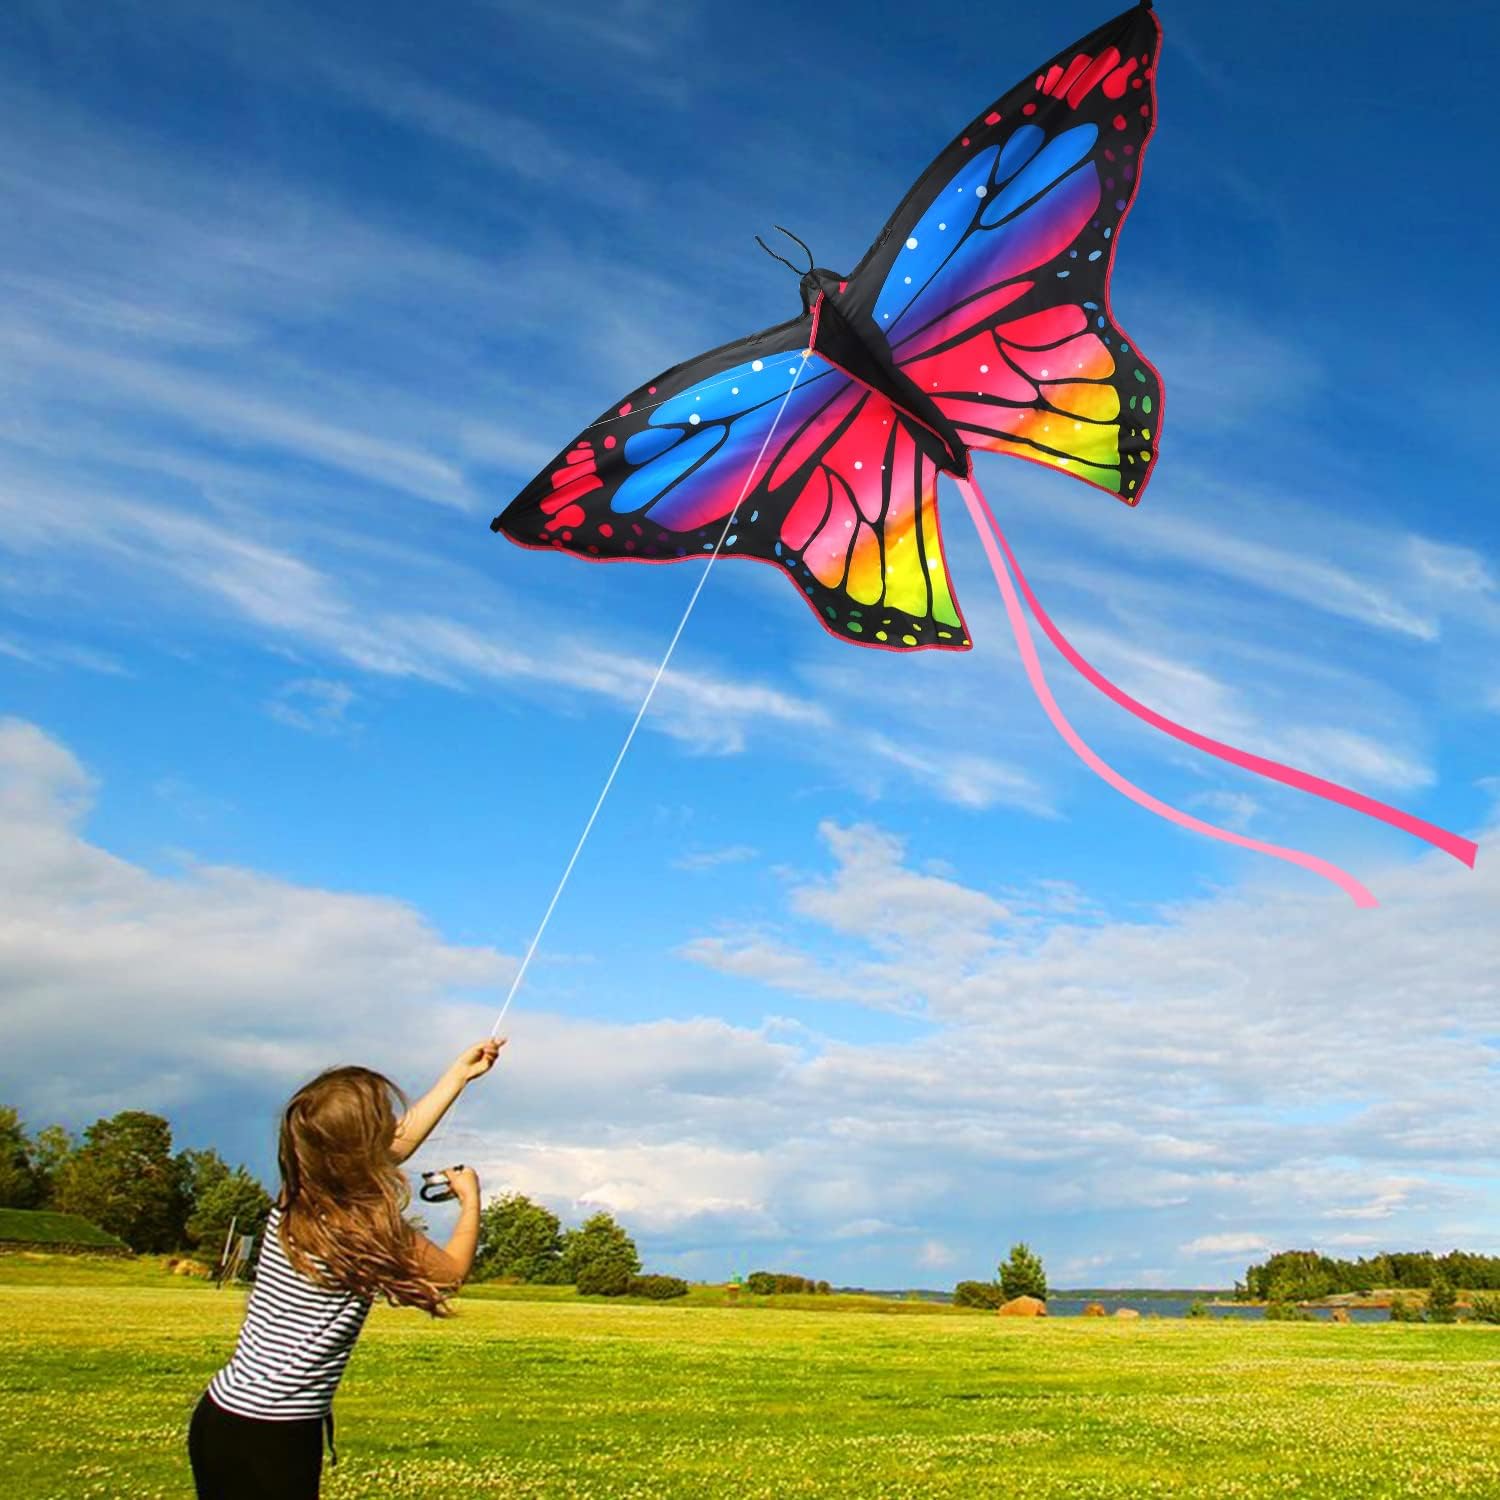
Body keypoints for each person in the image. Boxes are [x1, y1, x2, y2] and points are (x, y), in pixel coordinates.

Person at [187, 1038, 504, 1498]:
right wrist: (471, 1200)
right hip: (278, 1433)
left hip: (220, 1417)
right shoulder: (362, 1228)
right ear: (360, 1149)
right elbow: (450, 1274)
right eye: (382, 1121)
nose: (393, 1128)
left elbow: (394, 1148)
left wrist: (457, 1075)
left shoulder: (296, 1195)